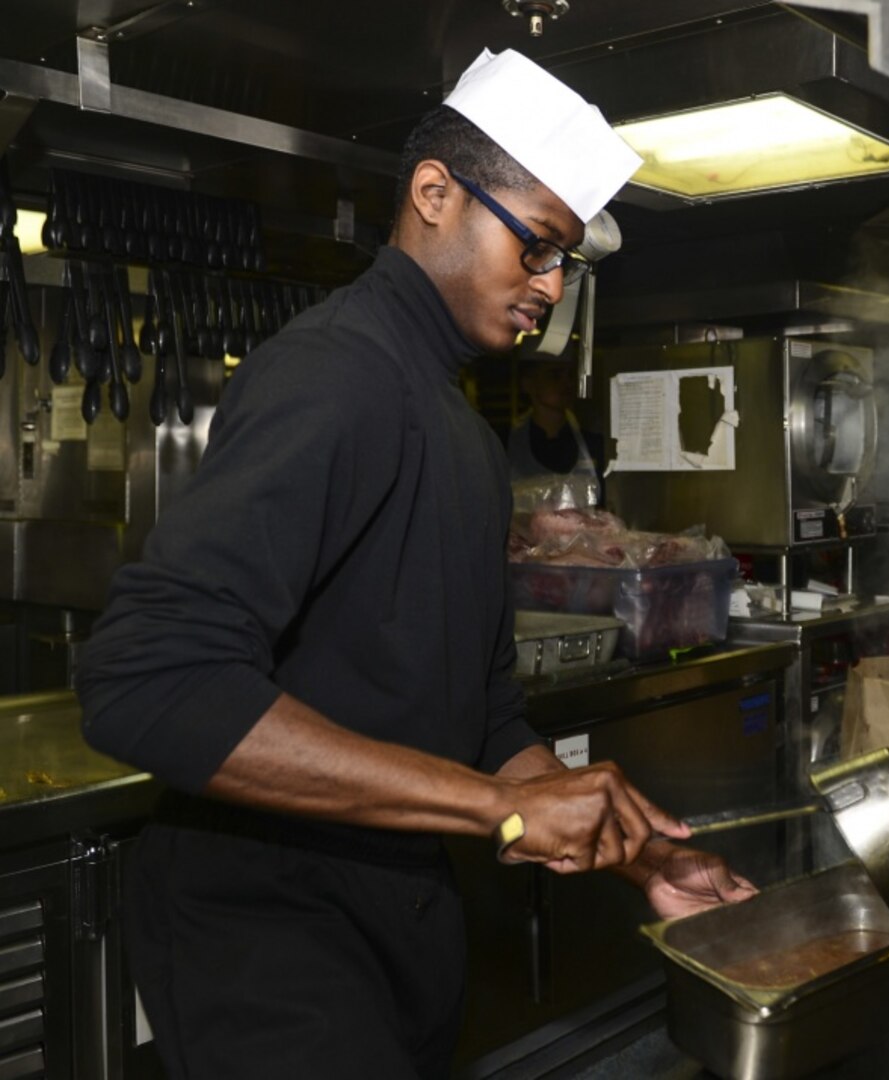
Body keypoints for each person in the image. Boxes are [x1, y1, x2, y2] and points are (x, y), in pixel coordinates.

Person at [75, 48, 756, 1080]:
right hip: (267, 937)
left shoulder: (461, 429)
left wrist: (639, 850)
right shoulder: (331, 376)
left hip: (400, 914)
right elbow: (148, 681)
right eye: (535, 245)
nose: (550, 285)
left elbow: (480, 717)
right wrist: (499, 811)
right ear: (434, 194)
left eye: (566, 260)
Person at [509, 353, 607, 505]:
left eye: (570, 375)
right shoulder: (504, 448)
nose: (567, 383)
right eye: (555, 375)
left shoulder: (594, 446)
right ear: (527, 384)